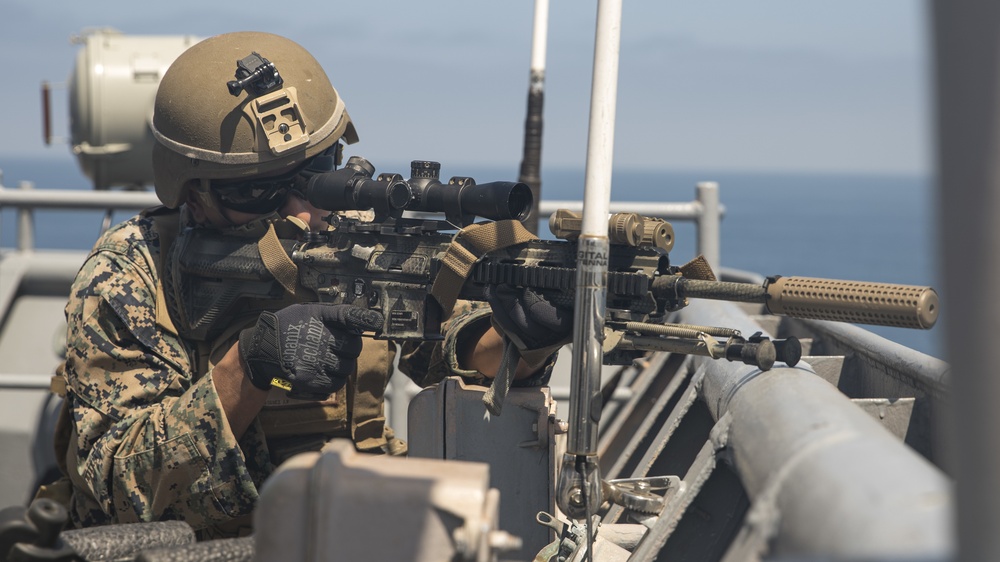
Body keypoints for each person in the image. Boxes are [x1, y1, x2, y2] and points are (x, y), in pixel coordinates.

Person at [45, 31, 571, 539]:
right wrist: (252, 367)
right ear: (192, 192)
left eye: (317, 174)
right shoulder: (132, 273)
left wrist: (525, 336)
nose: (301, 212)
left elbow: (454, 349)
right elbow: (114, 486)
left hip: (358, 519)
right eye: (259, 191)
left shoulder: (354, 240)